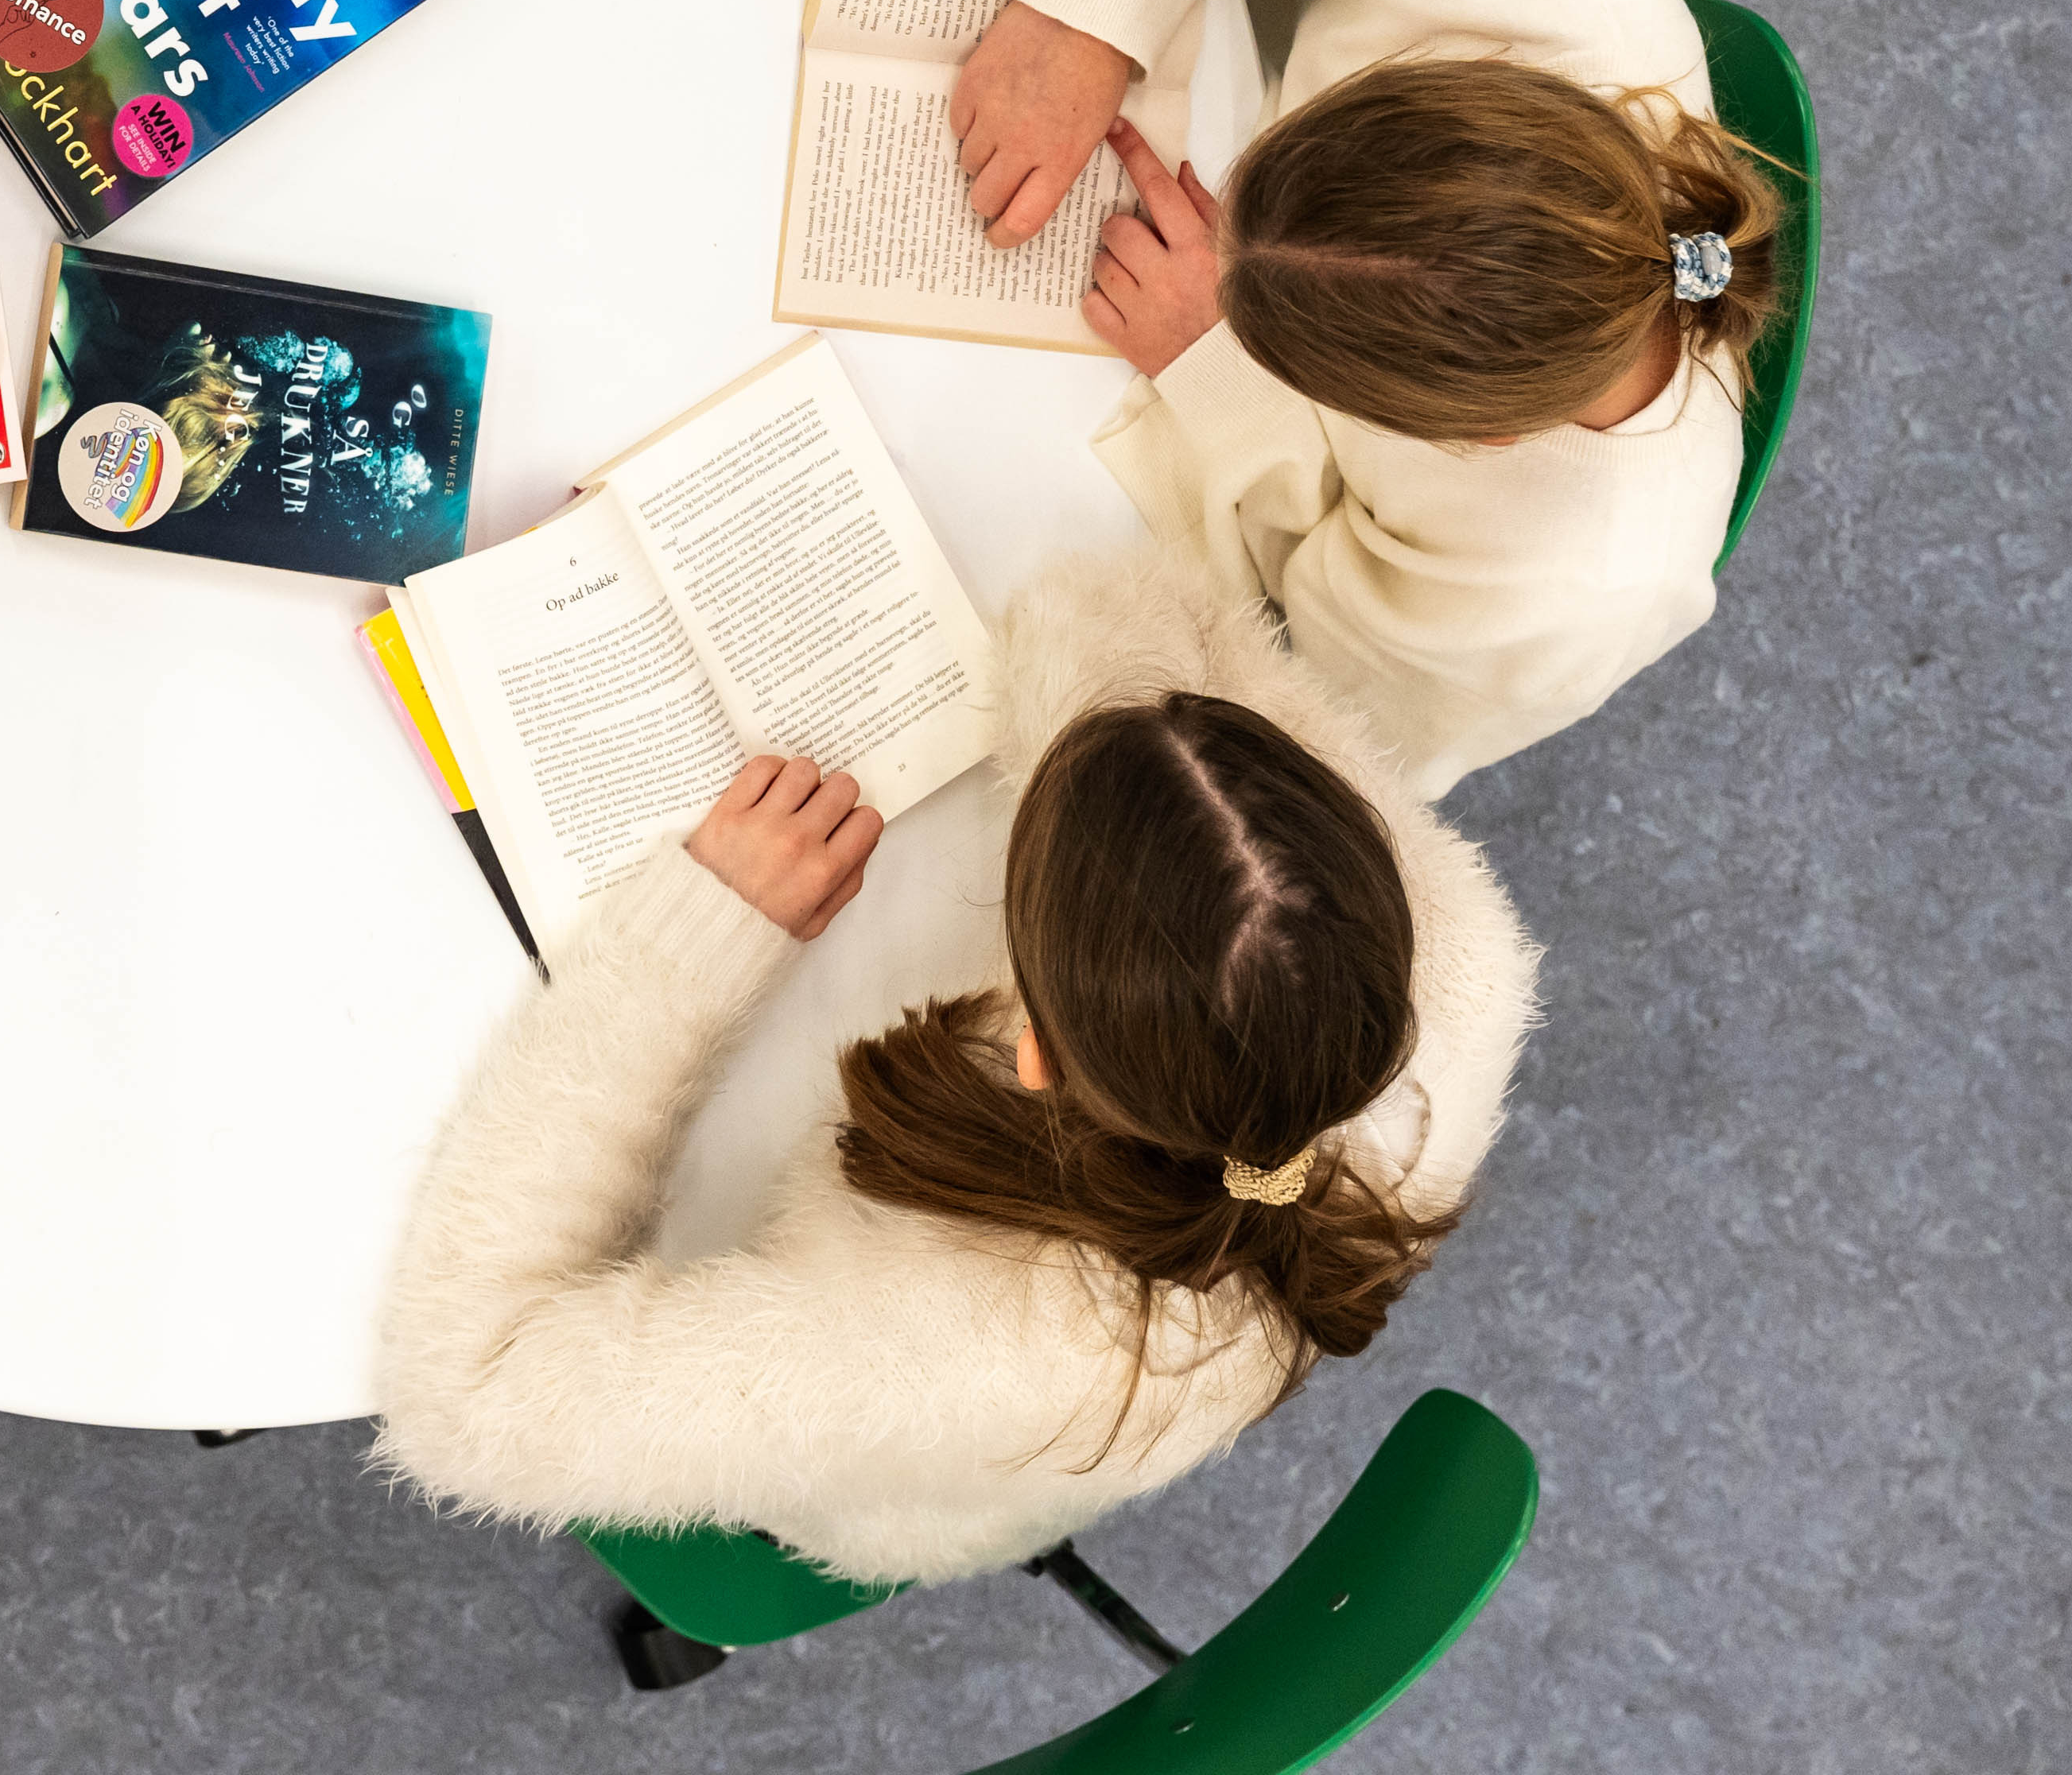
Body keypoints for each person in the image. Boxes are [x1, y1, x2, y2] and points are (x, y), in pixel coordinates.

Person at [367, 548, 1538, 1587]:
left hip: (897, 1451)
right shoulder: (1449, 953)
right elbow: (1136, 606)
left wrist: (694, 939)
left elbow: (467, 1401)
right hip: (963, 1316)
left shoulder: (961, 1348)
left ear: (1033, 1050)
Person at [944, 0, 1785, 793]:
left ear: (1476, 445)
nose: (1218, 230)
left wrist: (1221, 377)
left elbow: (1318, 724)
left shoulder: (1566, 592)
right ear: (1472, 85)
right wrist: (1088, 1)